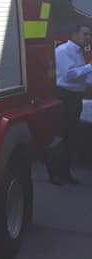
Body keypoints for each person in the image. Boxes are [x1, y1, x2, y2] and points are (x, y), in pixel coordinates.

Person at [50, 23, 92, 185]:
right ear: (74, 34)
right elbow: (69, 75)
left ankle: (65, 172)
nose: (88, 38)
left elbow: (83, 78)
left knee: (70, 137)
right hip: (64, 97)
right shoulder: (63, 51)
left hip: (75, 98)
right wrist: (89, 67)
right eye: (85, 34)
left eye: (89, 35)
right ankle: (54, 173)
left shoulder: (78, 52)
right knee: (60, 136)